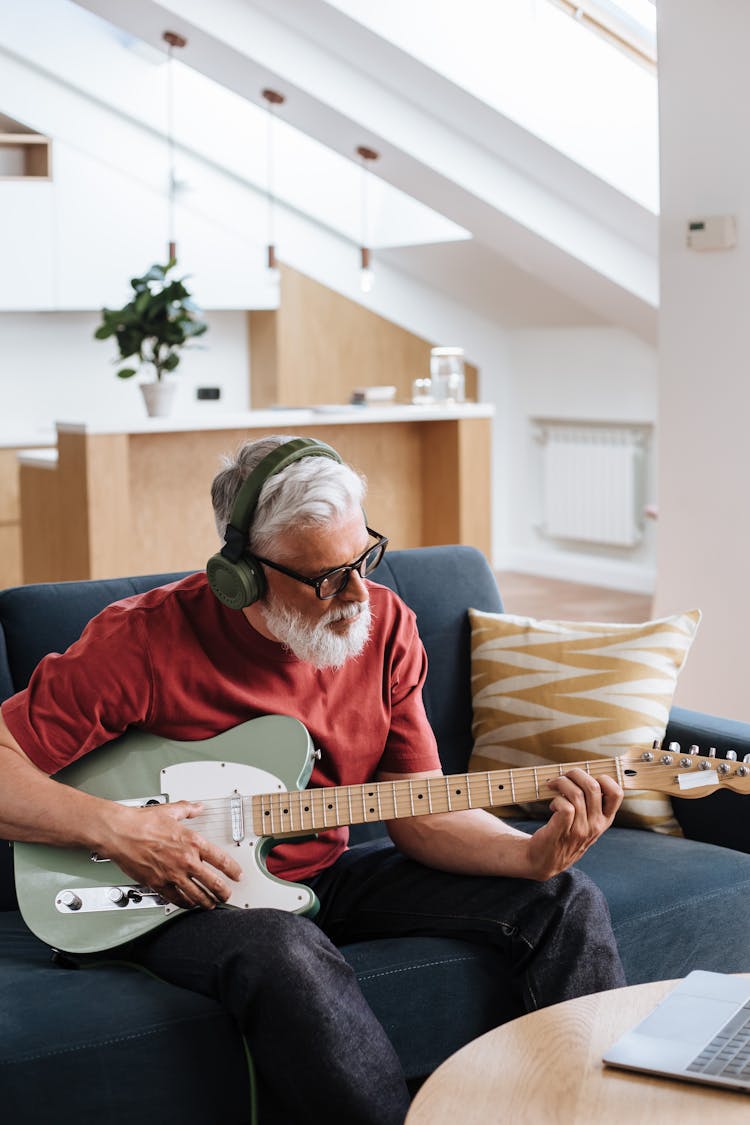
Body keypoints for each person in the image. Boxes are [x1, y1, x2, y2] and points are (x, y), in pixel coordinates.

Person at [0, 434, 626, 1125]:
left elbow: (420, 810)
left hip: (321, 872)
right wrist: (121, 830)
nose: (358, 591)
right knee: (283, 947)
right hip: (175, 895)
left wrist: (529, 853)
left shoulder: (386, 627)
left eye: (364, 557)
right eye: (326, 576)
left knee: (561, 895)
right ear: (241, 575)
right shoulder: (141, 640)